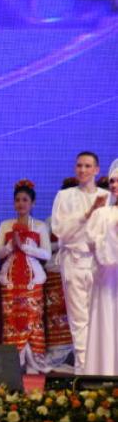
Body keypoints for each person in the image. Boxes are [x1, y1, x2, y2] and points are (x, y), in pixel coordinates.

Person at [51, 151, 109, 371]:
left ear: (96, 170)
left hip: (100, 264)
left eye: (87, 166)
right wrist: (88, 213)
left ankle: (103, 368)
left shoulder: (108, 196)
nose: (82, 170)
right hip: (74, 261)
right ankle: (83, 371)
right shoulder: (64, 196)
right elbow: (60, 231)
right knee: (79, 320)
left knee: (101, 318)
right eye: (79, 165)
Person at [0, 180, 51, 373]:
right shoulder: (5, 225)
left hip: (32, 281)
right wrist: (11, 246)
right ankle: (14, 363)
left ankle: (34, 364)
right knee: (11, 320)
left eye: (25, 200)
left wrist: (24, 247)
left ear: (33, 203)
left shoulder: (40, 226)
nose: (21, 204)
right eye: (17, 200)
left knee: (33, 320)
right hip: (10, 281)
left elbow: (46, 254)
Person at [83, 159, 118, 376]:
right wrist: (112, 233)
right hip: (106, 281)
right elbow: (93, 245)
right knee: (105, 325)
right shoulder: (101, 214)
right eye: (112, 181)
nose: (114, 185)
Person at [42, 177, 78, 371]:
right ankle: (57, 355)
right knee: (56, 313)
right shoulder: (51, 221)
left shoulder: (84, 219)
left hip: (77, 271)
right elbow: (46, 247)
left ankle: (78, 354)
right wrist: (63, 244)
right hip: (55, 270)